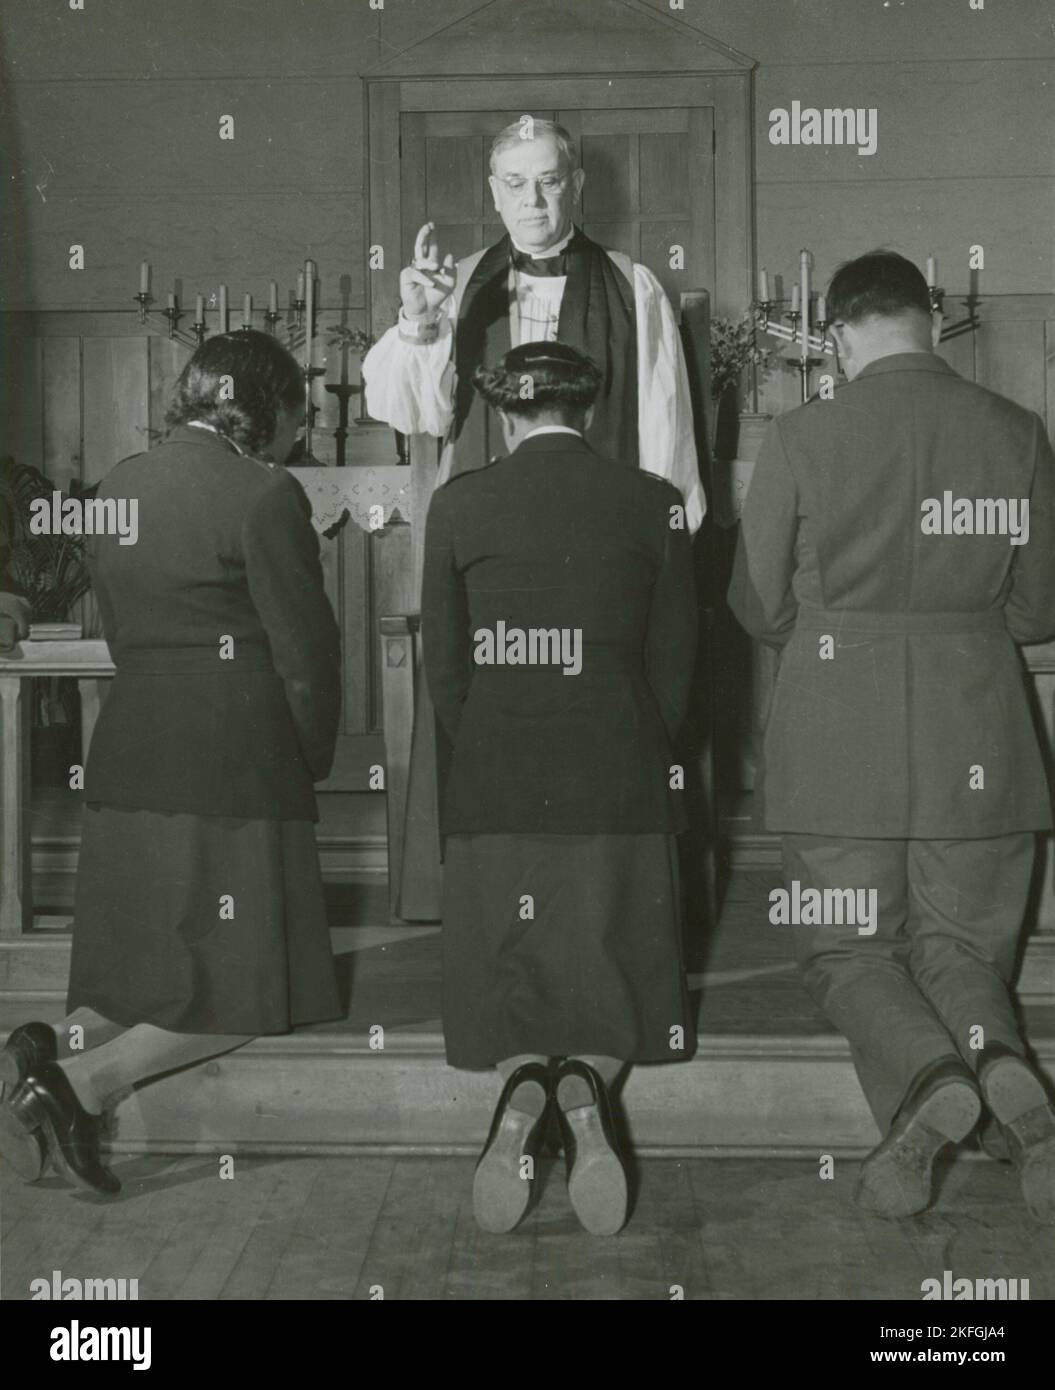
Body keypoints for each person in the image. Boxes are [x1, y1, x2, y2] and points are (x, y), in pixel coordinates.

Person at [728, 250, 1055, 1222]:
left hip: (837, 732)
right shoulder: (1014, 431)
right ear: (931, 319)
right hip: (978, 727)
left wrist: (831, 626)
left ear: (834, 334)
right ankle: (993, 1058)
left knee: (846, 948)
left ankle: (928, 1079)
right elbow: (1038, 609)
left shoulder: (800, 435)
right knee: (962, 945)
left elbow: (755, 604)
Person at [0, 330, 343, 1196]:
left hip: (130, 753)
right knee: (243, 991)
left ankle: (46, 1042)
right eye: (294, 419)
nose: (295, 440)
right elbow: (307, 655)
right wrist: (308, 758)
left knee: (150, 967)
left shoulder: (118, 484)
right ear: (260, 408)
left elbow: (116, 627)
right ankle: (78, 1085)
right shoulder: (265, 495)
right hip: (233, 765)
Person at [422, 341, 698, 1236]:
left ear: (503, 415)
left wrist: (490, 741)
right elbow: (679, 658)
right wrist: (643, 737)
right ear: (593, 409)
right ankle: (583, 1085)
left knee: (511, 954)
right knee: (612, 953)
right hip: (617, 766)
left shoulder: (458, 504)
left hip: (497, 771)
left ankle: (520, 1094)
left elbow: (444, 664)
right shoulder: (653, 504)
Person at [362, 117, 704, 530]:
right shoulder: (459, 285)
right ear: (494, 192)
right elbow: (412, 415)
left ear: (576, 185)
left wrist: (663, 540)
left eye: (549, 181)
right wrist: (420, 317)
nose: (533, 200)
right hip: (488, 532)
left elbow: (666, 429)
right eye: (516, 183)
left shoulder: (633, 286)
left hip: (601, 527)